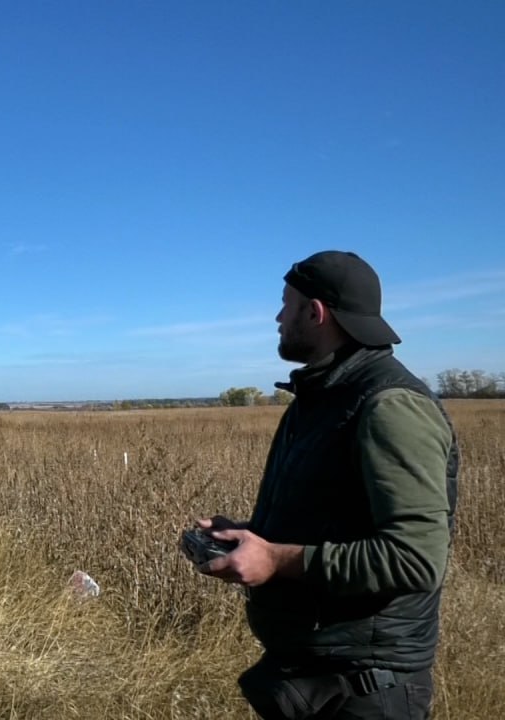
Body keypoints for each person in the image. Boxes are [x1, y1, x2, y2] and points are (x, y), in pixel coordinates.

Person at [195, 250, 459, 720]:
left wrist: (275, 559)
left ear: (315, 312)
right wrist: (249, 537)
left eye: (286, 303)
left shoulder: (389, 406)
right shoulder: (322, 397)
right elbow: (332, 518)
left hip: (364, 693)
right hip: (317, 680)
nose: (278, 317)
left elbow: (415, 559)